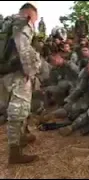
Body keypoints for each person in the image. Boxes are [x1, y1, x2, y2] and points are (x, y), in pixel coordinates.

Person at [0, 2, 42, 164]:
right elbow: (23, 47)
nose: (34, 24)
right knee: (18, 110)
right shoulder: (23, 23)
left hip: (4, 72)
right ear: (30, 15)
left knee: (14, 107)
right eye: (35, 20)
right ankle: (15, 152)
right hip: (17, 73)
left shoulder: (6, 23)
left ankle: (22, 137)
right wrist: (29, 72)